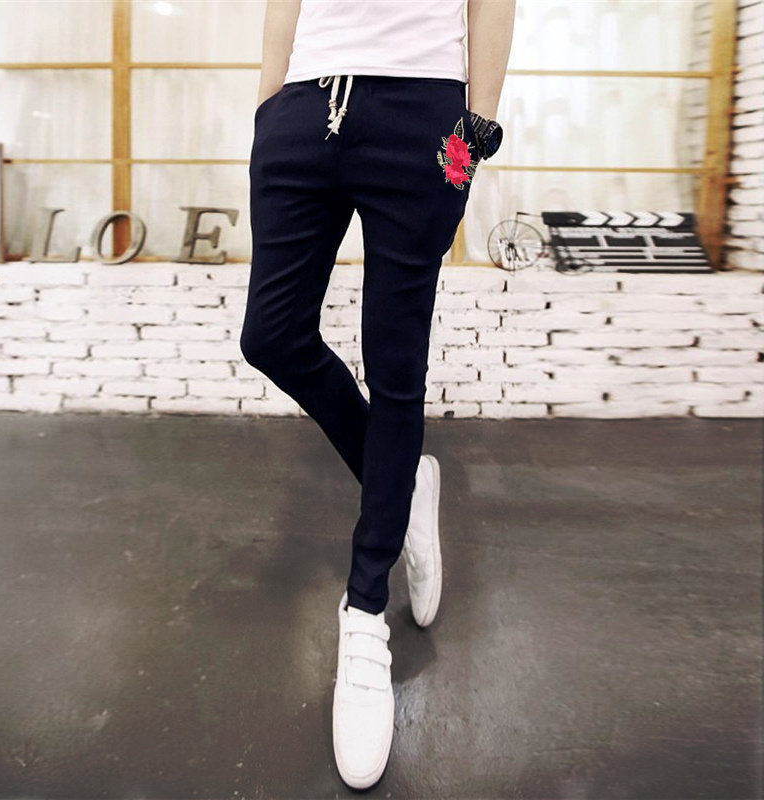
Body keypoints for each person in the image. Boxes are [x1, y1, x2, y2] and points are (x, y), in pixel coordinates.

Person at [240, 0, 515, 789]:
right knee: (272, 336)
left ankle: (364, 618)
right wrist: (268, 109)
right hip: (303, 107)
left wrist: (476, 127)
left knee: (396, 370)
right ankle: (405, 485)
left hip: (423, 117)